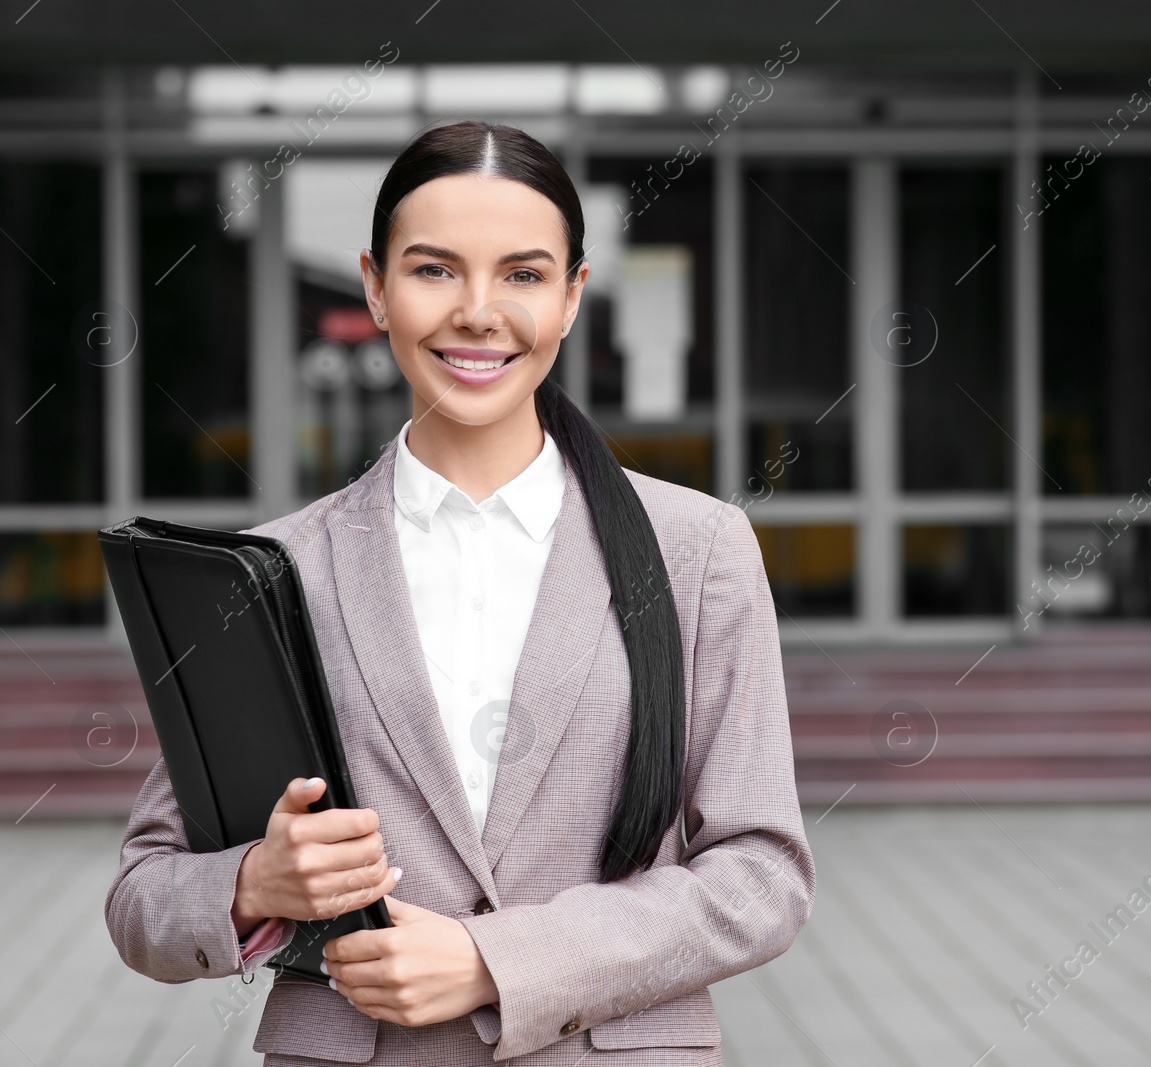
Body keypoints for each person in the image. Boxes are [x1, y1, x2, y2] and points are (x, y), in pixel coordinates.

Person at [104, 119, 816, 1066]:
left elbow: (762, 876)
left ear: (571, 299)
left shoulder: (699, 548)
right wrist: (255, 882)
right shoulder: (276, 570)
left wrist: (495, 961)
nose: (478, 312)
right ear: (375, 287)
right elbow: (144, 894)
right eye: (434, 269)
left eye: (523, 275)